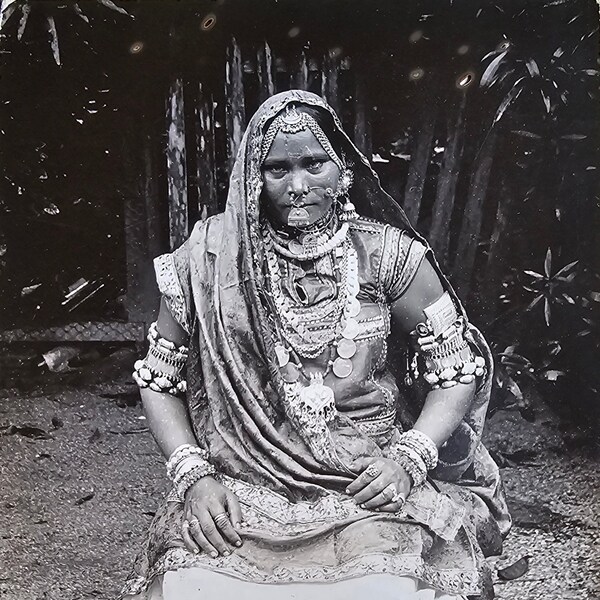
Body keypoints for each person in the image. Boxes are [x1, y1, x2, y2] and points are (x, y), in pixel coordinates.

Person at [121, 90, 511, 600]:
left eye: (314, 164)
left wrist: (408, 459)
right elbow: (159, 380)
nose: (298, 185)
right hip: (245, 485)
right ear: (251, 179)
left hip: (363, 483)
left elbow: (457, 369)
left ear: (343, 169)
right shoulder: (208, 259)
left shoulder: (389, 255)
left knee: (389, 589)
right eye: (277, 169)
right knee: (186, 588)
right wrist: (193, 477)